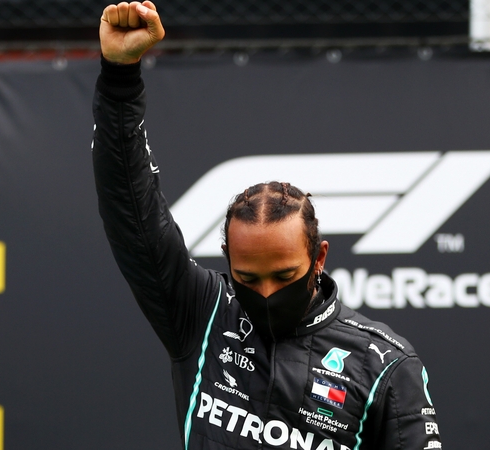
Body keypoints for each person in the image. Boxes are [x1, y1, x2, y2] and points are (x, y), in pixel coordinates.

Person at [92, 2, 443, 449]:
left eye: (284, 276)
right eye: (247, 278)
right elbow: (131, 211)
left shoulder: (384, 365)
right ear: (228, 264)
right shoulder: (202, 315)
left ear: (319, 257)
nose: (267, 294)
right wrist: (120, 78)